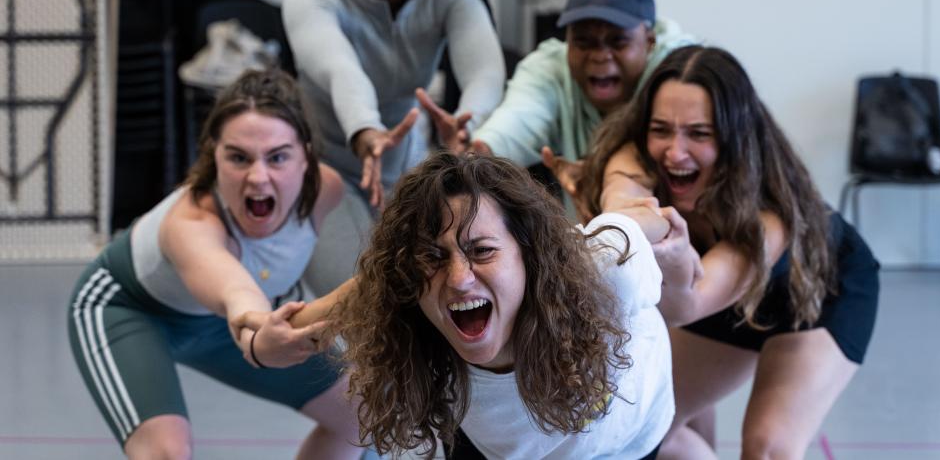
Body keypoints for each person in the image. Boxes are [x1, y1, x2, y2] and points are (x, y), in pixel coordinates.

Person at [581, 45, 880, 459]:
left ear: (734, 137)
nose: (675, 152)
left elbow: (687, 306)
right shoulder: (636, 154)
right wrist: (625, 219)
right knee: (643, 425)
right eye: (661, 129)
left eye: (699, 134)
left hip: (817, 294)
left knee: (768, 446)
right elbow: (622, 205)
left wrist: (673, 256)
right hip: (712, 287)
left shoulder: (769, 214)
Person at [273, 152, 674, 459]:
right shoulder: (422, 328)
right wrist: (263, 342)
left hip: (631, 440)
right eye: (433, 257)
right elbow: (366, 288)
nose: (458, 278)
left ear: (529, 256)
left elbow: (644, 221)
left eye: (482, 251)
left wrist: (678, 242)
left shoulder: (603, 268)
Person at [67, 70, 362, 459]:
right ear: (213, 154)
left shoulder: (325, 191)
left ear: (305, 156)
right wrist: (258, 340)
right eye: (239, 157)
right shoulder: (191, 224)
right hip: (130, 312)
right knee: (166, 451)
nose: (258, 178)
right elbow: (236, 293)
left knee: (361, 414)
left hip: (218, 326)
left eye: (278, 157)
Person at [284, 0, 506, 296]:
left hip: (407, 163)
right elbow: (341, 70)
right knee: (351, 293)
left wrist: (468, 125)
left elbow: (485, 73)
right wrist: (366, 129)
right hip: (328, 168)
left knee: (426, 286)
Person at [446, 0, 694, 208]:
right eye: (584, 42)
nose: (600, 56)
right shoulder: (550, 68)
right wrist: (472, 152)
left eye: (617, 42)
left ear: (649, 41)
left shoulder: (680, 69)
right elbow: (517, 120)